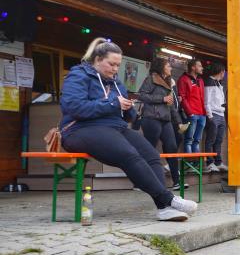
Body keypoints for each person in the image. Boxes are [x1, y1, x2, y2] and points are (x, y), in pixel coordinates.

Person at [60, 38, 196, 222]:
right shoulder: (78, 75)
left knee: (152, 155)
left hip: (113, 127)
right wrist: (113, 103)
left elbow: (123, 111)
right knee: (129, 154)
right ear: (97, 59)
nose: (115, 69)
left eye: (118, 65)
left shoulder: (116, 82)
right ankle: (168, 200)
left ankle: (164, 208)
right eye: (111, 64)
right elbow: (73, 107)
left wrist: (131, 111)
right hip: (79, 129)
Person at [138, 58, 188, 190]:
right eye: (168, 66)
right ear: (161, 67)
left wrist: (178, 123)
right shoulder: (151, 79)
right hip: (151, 118)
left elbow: (171, 107)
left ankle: (177, 182)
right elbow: (141, 95)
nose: (170, 68)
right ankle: (140, 181)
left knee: (171, 147)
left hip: (165, 120)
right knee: (149, 149)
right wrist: (162, 98)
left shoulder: (168, 83)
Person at [178, 59, 206, 153]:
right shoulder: (183, 79)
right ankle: (189, 166)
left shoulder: (200, 80)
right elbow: (182, 97)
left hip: (202, 114)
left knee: (197, 141)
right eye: (200, 66)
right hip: (191, 114)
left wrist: (204, 113)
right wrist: (190, 113)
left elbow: (202, 97)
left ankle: (196, 166)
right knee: (189, 140)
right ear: (193, 67)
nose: (202, 68)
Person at [203, 62, 227, 173]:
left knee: (219, 139)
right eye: (224, 72)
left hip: (221, 114)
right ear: (221, 71)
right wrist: (210, 116)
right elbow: (206, 101)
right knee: (210, 140)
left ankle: (218, 161)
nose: (224, 74)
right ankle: (209, 162)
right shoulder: (209, 81)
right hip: (213, 114)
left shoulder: (218, 83)